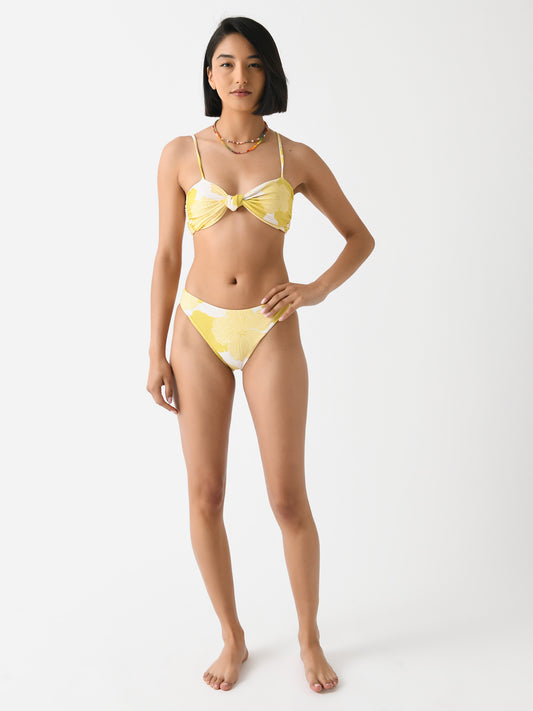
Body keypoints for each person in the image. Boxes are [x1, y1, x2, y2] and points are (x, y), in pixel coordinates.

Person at [146, 16, 375, 694]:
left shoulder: (293, 157)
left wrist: (315, 290)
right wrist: (154, 350)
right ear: (209, 75)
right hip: (197, 329)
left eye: (251, 64)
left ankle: (308, 638)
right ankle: (232, 635)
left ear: (267, 74)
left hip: (271, 329)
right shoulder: (179, 153)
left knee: (286, 497)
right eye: (225, 63)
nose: (239, 76)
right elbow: (166, 257)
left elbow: (359, 237)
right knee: (205, 493)